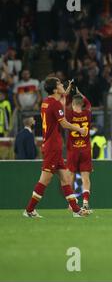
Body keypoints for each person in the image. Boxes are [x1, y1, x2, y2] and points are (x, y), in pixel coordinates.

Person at [23, 78, 90, 218]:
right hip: (52, 146)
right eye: (59, 84)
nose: (61, 85)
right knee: (44, 180)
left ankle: (76, 210)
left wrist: (64, 93)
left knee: (65, 178)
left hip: (53, 146)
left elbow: (59, 106)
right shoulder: (55, 104)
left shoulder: (46, 102)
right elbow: (64, 123)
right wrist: (79, 129)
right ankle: (29, 210)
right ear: (54, 89)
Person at [65, 90, 93, 211]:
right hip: (85, 149)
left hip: (73, 149)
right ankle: (85, 202)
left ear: (72, 104)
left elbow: (61, 103)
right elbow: (89, 104)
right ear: (81, 104)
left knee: (70, 176)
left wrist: (67, 92)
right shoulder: (87, 113)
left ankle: (72, 203)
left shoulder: (70, 114)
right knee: (85, 177)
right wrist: (80, 93)